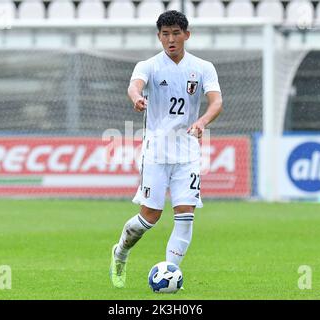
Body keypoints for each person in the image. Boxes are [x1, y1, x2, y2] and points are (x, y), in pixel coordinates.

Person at [110, 10, 223, 289]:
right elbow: (134, 86)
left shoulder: (203, 67)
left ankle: (169, 274)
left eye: (175, 33)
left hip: (188, 152)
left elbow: (216, 101)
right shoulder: (148, 65)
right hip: (157, 152)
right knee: (150, 217)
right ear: (159, 36)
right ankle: (120, 252)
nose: (170, 39)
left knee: (185, 215)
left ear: (187, 34)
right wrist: (137, 98)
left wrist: (202, 121)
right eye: (165, 34)